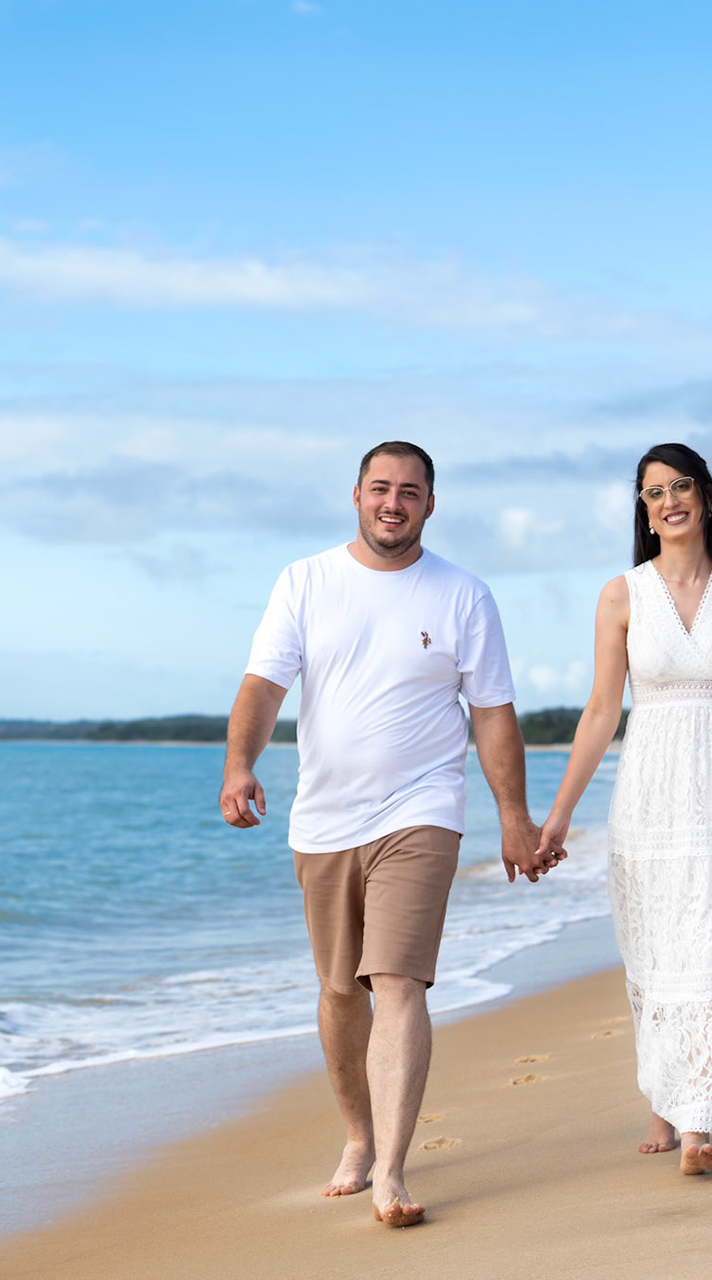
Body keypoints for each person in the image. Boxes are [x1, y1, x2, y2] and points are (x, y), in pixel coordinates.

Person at [219, 441, 559, 1228]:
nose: (394, 503)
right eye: (381, 489)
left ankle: (394, 1172)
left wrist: (514, 818)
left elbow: (493, 715)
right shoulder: (305, 582)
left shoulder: (463, 596)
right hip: (324, 818)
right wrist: (240, 765)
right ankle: (358, 1138)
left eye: (410, 491)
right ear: (356, 496)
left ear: (431, 504)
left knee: (398, 980)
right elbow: (264, 686)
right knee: (342, 991)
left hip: (423, 810)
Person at [537, 441, 712, 1176]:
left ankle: (697, 1121)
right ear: (644, 508)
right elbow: (601, 711)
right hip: (652, 792)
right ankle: (668, 1098)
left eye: (681, 486)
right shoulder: (621, 595)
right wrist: (560, 813)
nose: (670, 501)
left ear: (707, 496)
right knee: (660, 950)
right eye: (654, 492)